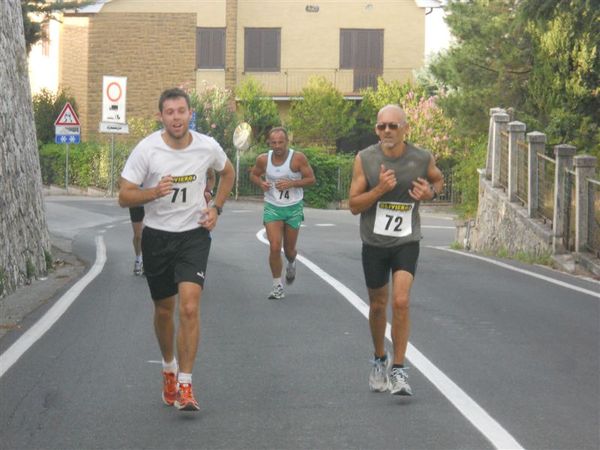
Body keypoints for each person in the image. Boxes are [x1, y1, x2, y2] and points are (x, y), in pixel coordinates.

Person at [118, 87, 235, 411]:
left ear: (189, 114)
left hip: (193, 235)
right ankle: (168, 367)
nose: (176, 117)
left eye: (181, 111)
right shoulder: (147, 150)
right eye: (169, 112)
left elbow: (228, 173)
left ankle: (185, 383)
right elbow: (124, 195)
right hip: (157, 236)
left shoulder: (206, 146)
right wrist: (153, 192)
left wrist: (217, 209)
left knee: (189, 307)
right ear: (160, 116)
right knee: (164, 310)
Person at [348, 104, 443, 396]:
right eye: (381, 126)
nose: (387, 131)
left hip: (406, 241)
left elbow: (437, 180)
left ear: (405, 129)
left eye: (392, 126)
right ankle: (379, 358)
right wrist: (379, 191)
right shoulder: (365, 159)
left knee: (400, 301)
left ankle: (399, 369)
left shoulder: (421, 157)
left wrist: (430, 193)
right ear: (376, 130)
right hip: (374, 243)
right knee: (378, 305)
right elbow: (353, 206)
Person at [249, 127, 316, 300]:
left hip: (293, 207)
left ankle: (292, 262)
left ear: (287, 142)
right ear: (269, 143)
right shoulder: (263, 159)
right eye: (274, 142)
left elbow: (311, 179)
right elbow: (254, 175)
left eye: (281, 142)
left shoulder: (298, 158)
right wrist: (261, 183)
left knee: (289, 250)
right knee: (274, 246)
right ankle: (277, 286)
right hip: (273, 206)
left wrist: (292, 183)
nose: (277, 146)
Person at [129, 206, 145, 275]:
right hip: (137, 204)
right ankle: (138, 259)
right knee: (138, 235)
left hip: (152, 203)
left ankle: (146, 262)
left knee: (150, 234)